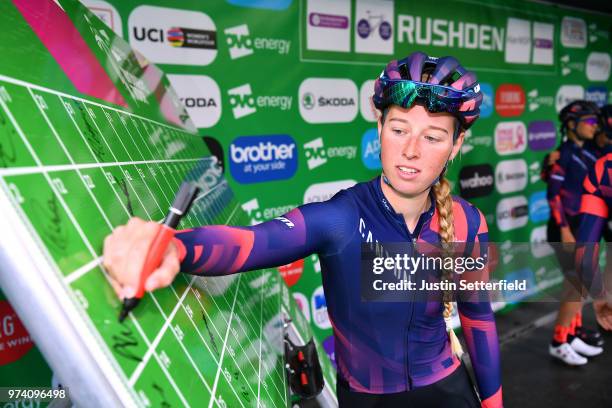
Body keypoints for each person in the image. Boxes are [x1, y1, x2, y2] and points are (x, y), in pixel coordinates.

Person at [103, 52, 502, 407]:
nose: (411, 150)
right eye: (399, 130)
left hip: (450, 392)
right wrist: (175, 247)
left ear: (456, 144)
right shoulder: (343, 216)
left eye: (433, 137)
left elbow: (479, 319)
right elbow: (254, 242)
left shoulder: (468, 221)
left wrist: (493, 403)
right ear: (378, 125)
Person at [546, 100, 604, 365]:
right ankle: (559, 341)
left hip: (584, 228)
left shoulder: (591, 150)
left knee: (581, 286)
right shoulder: (564, 154)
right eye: (589, 121)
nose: (595, 126)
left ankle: (573, 334)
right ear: (571, 124)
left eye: (596, 121)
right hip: (565, 230)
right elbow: (553, 196)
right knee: (575, 285)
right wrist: (565, 230)